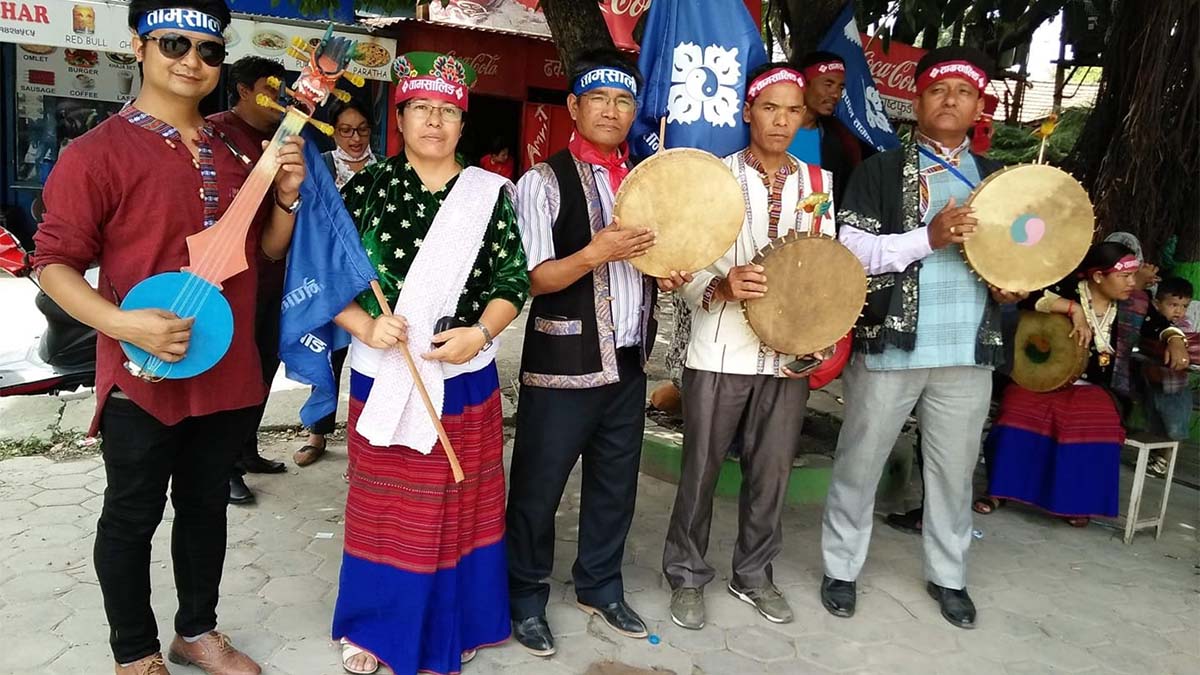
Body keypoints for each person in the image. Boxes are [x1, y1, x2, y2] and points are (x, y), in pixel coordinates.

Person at [31, 0, 306, 672]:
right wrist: (121, 322)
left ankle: (197, 630)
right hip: (144, 370)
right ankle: (135, 650)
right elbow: (53, 263)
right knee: (131, 513)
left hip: (226, 364)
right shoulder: (95, 152)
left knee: (207, 504)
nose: (192, 61)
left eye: (209, 51)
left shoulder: (239, 145)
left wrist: (288, 197)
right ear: (138, 46)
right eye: (174, 43)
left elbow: (263, 251)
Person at [329, 52, 529, 675]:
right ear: (402, 116)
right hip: (383, 373)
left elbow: (513, 279)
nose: (435, 122)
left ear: (462, 123)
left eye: (447, 111)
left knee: (460, 503)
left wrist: (481, 332)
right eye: (422, 109)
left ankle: (457, 618)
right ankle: (372, 626)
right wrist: (365, 323)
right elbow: (326, 278)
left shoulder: (490, 194)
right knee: (384, 505)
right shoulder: (364, 189)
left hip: (463, 376)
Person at [818, 47, 1025, 630]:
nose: (950, 100)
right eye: (938, 90)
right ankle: (840, 566)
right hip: (890, 342)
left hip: (968, 350)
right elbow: (853, 251)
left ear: (979, 106)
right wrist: (928, 237)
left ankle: (950, 575)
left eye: (963, 92)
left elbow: (1019, 257)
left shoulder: (996, 182)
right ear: (917, 101)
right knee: (861, 461)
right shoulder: (881, 169)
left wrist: (1012, 287)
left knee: (954, 473)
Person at [662, 63, 834, 631]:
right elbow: (679, 262)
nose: (781, 120)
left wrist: (815, 322)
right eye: (769, 108)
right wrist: (720, 284)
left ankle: (753, 574)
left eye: (792, 110)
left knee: (772, 471)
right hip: (720, 350)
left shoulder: (819, 185)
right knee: (701, 471)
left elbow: (824, 267)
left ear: (803, 117)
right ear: (747, 113)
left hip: (788, 355)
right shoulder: (714, 179)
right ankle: (686, 574)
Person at [506, 47, 657, 657]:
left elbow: (655, 257)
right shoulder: (542, 182)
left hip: (629, 359)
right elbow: (533, 279)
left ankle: (599, 583)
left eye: (624, 100)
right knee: (539, 485)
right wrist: (597, 251)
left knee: (616, 484)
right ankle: (523, 594)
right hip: (562, 361)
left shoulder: (648, 180)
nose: (612, 110)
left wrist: (663, 271)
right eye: (599, 98)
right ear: (573, 106)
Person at [975, 243, 1189, 526]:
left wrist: (1175, 339)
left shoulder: (1136, 303)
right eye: (1123, 276)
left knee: (1091, 420)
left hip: (1101, 387)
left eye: (1132, 276)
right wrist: (1072, 309)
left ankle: (1075, 503)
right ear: (1098, 276)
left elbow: (1159, 325)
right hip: (1046, 380)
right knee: (1017, 406)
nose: (1130, 282)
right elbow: (1028, 298)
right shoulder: (1067, 289)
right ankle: (999, 491)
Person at [208, 55, 290, 505]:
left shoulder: (285, 138)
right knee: (236, 371)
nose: (278, 98)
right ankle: (226, 468)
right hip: (233, 275)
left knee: (264, 364)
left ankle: (248, 448)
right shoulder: (217, 133)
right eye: (269, 89)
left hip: (277, 274)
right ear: (241, 89)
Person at [293, 97, 378, 468]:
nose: (355, 138)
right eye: (345, 130)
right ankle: (317, 432)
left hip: (374, 281)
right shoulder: (322, 167)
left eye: (362, 130)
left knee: (375, 358)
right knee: (328, 354)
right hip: (329, 279)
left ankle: (370, 440)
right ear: (332, 131)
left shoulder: (387, 169)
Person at [786, 51, 874, 204]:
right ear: (805, 83)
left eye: (840, 87)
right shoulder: (771, 131)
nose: (835, 94)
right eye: (828, 84)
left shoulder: (841, 141)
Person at [1140, 277, 1199, 475]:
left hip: (1176, 387)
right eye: (1173, 305)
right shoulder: (1153, 325)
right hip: (1154, 384)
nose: (1179, 311)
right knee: (1155, 423)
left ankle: (1165, 461)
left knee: (1174, 426)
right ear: (1157, 304)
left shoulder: (1185, 329)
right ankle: (1156, 457)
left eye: (1184, 306)